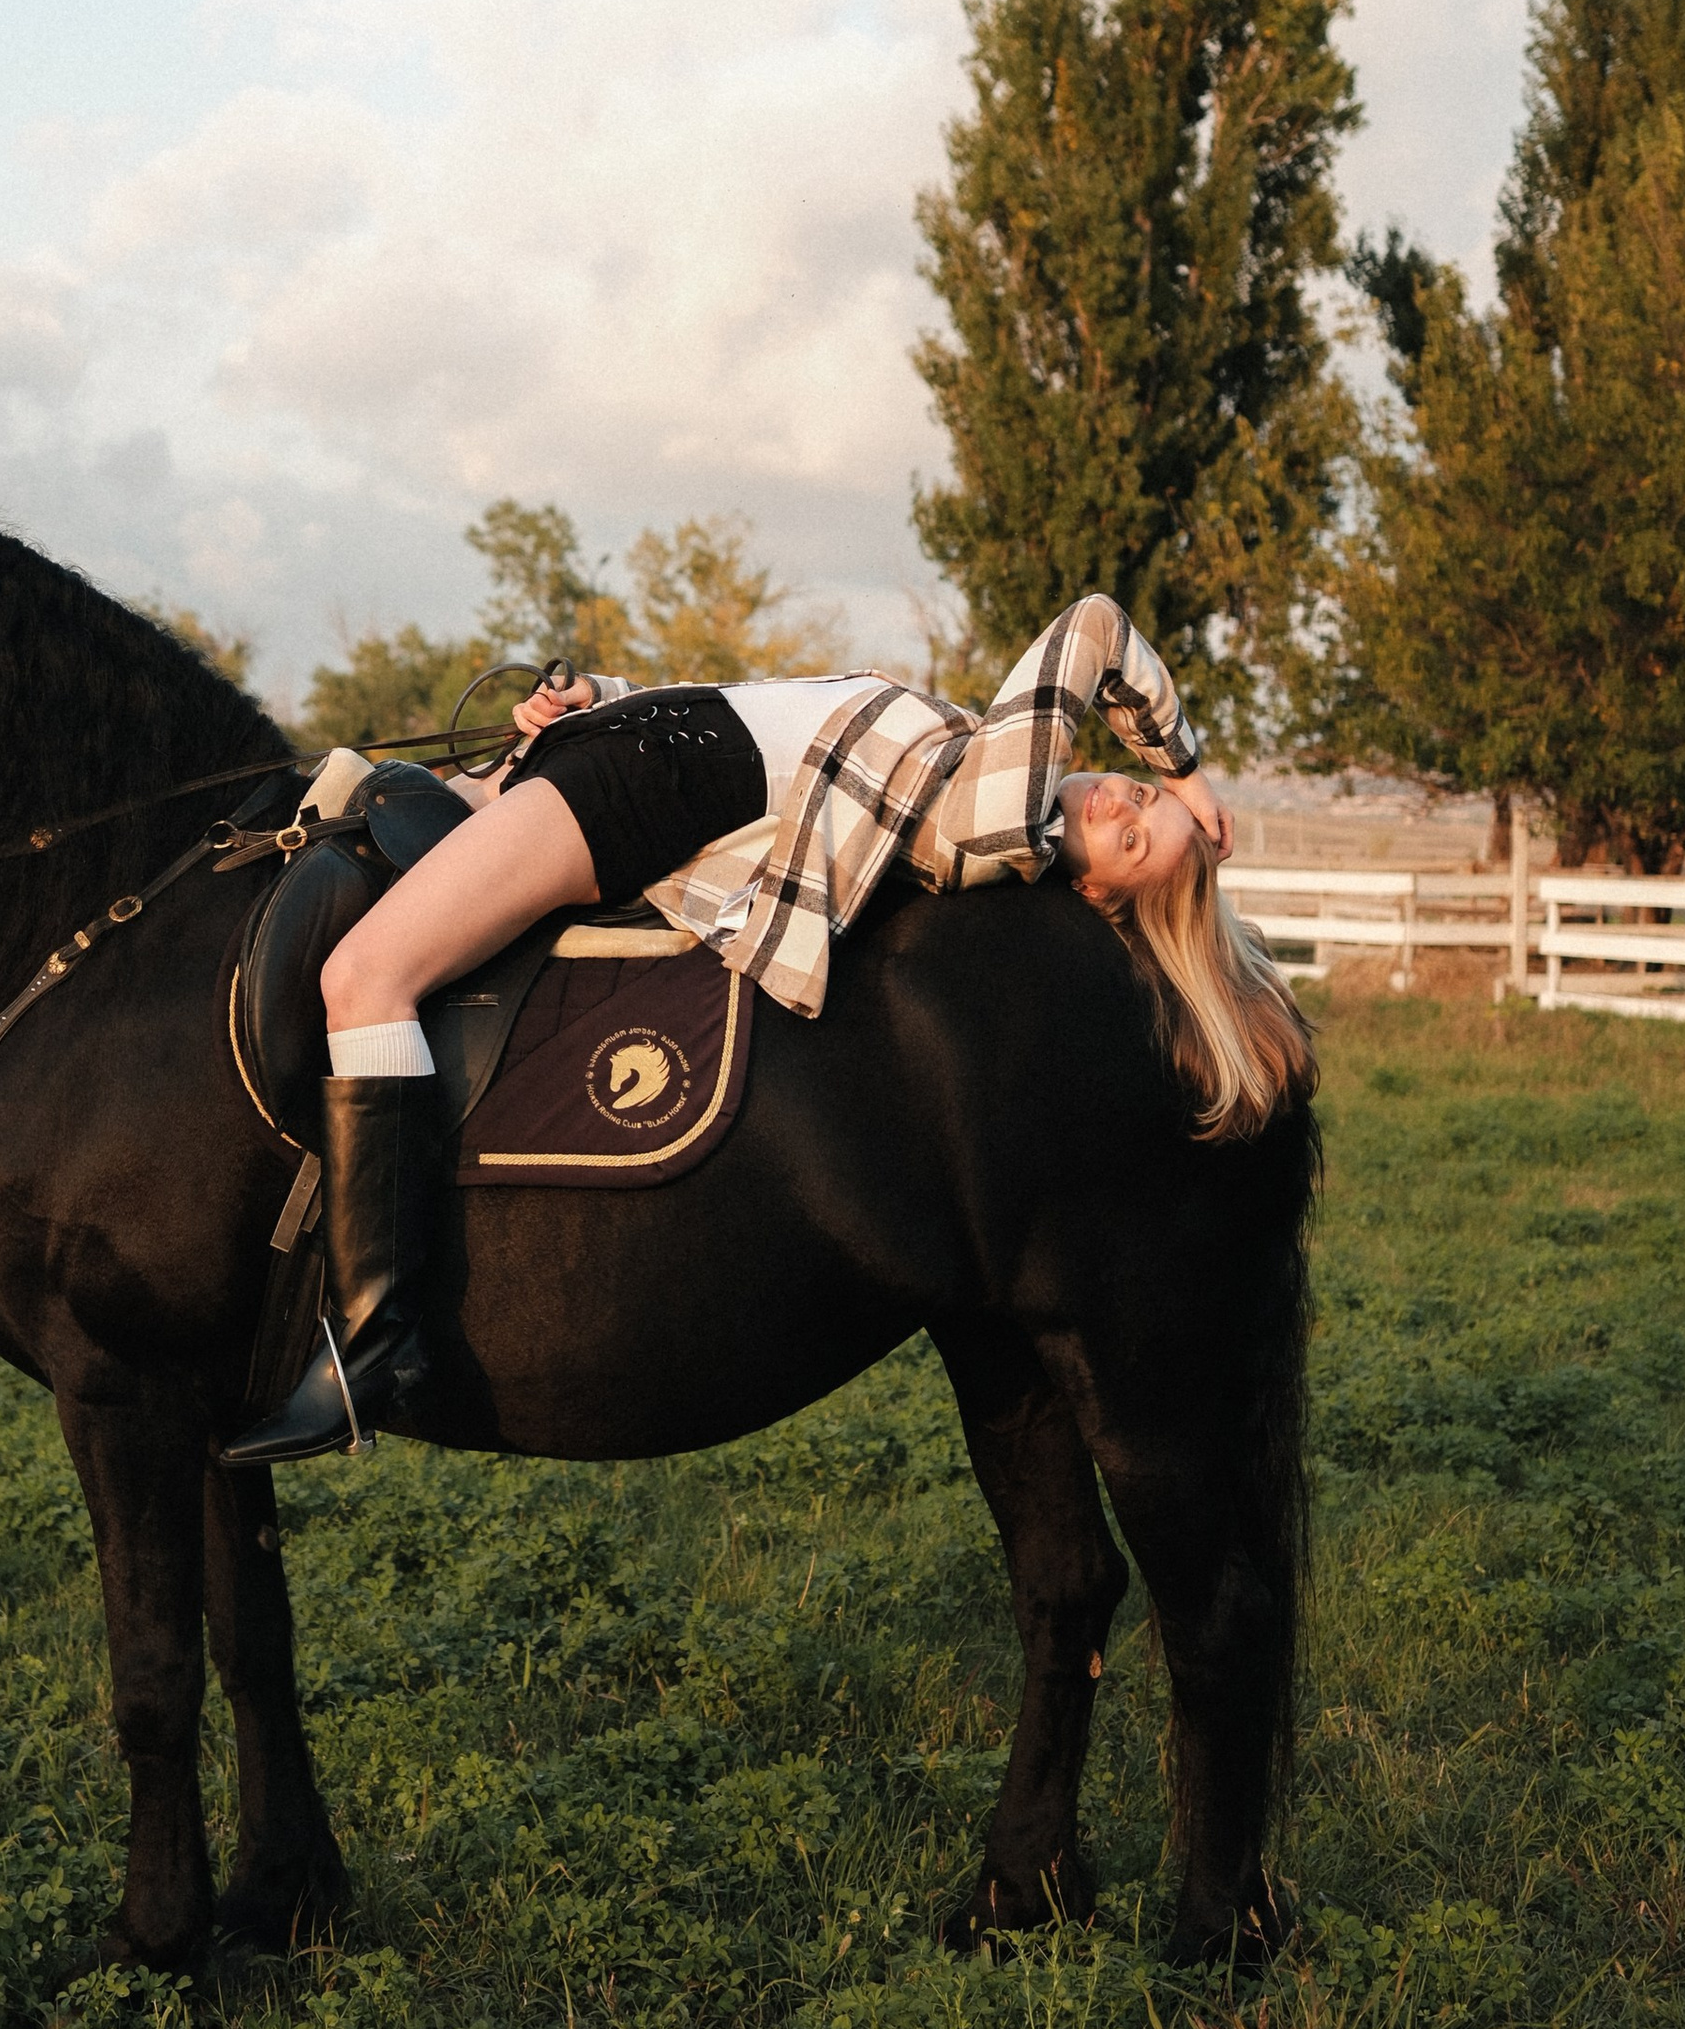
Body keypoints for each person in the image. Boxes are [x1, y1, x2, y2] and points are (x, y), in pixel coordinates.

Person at [220, 595, 1314, 1470]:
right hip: (643, 748)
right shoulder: (974, 753)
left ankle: (370, 1339)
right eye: (1130, 792)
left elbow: (1090, 626)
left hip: (651, 785)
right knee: (345, 814)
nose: (1115, 804)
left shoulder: (1002, 808)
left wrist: (1182, 768)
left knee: (366, 975)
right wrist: (601, 697)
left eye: (1133, 838)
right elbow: (760, 716)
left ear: (1096, 894)